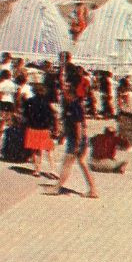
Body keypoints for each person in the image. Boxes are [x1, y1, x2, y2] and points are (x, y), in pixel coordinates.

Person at [51, 69, 96, 198]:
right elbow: (70, 125)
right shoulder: (70, 105)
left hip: (77, 139)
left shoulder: (74, 106)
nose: (61, 95)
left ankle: (57, 187)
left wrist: (76, 143)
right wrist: (62, 136)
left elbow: (78, 126)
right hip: (76, 138)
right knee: (81, 163)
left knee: (67, 163)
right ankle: (93, 189)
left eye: (63, 93)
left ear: (69, 94)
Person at [22, 81, 58, 179]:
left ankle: (37, 170)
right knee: (49, 150)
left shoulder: (28, 101)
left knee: (35, 150)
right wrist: (54, 128)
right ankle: (53, 169)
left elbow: (25, 115)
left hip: (32, 127)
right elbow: (53, 115)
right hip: (45, 129)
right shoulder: (47, 103)